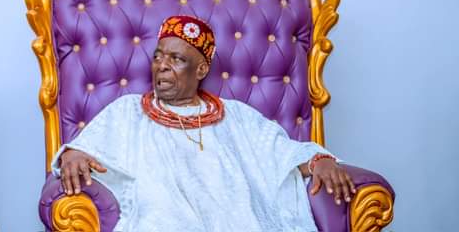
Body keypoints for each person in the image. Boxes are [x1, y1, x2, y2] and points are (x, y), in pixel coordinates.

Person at [56, 15, 356, 232]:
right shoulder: (128, 111)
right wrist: (73, 156)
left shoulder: (235, 115)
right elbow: (84, 148)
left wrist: (319, 162)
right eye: (158, 57)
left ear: (201, 70)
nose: (162, 66)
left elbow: (280, 152)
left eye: (176, 59)